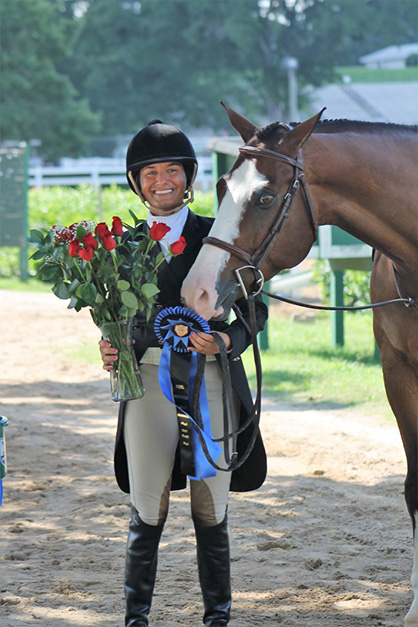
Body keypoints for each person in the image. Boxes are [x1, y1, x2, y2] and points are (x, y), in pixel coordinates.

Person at [99, 119, 268, 627]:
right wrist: (110, 345)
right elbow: (113, 318)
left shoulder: (217, 235)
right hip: (148, 381)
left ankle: (217, 616)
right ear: (137, 182)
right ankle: (136, 619)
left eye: (173, 169)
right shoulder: (118, 244)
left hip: (210, 378)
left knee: (210, 505)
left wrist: (224, 339)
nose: (162, 180)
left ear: (188, 176)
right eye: (149, 172)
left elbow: (255, 316)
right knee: (147, 504)